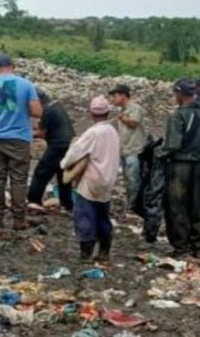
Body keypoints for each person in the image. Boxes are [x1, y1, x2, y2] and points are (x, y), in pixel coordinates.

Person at [0, 54, 42, 230]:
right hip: (19, 138)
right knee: (18, 179)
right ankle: (19, 219)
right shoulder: (26, 85)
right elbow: (37, 112)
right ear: (13, 66)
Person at [163, 78, 200, 259]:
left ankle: (181, 246)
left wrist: (156, 152)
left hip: (181, 166)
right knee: (197, 205)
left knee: (177, 206)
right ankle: (199, 245)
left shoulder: (178, 116)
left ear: (180, 94)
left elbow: (172, 145)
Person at [60, 96, 120, 262]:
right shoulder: (112, 131)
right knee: (103, 216)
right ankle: (104, 251)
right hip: (107, 180)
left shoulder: (93, 133)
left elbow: (76, 152)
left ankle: (86, 253)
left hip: (91, 180)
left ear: (92, 114)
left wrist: (64, 164)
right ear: (107, 112)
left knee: (85, 216)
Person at [27, 89, 76, 212]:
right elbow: (44, 126)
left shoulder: (47, 110)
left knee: (41, 172)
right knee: (62, 175)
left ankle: (33, 201)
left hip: (58, 144)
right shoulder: (55, 106)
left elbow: (41, 133)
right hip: (69, 143)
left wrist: (24, 133)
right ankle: (67, 204)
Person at [108, 84, 147, 213]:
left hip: (134, 150)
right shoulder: (122, 110)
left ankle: (134, 206)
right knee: (127, 178)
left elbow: (133, 122)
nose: (112, 99)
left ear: (123, 96)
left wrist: (122, 118)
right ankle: (130, 202)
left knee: (133, 179)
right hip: (124, 150)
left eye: (115, 96)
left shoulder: (135, 108)